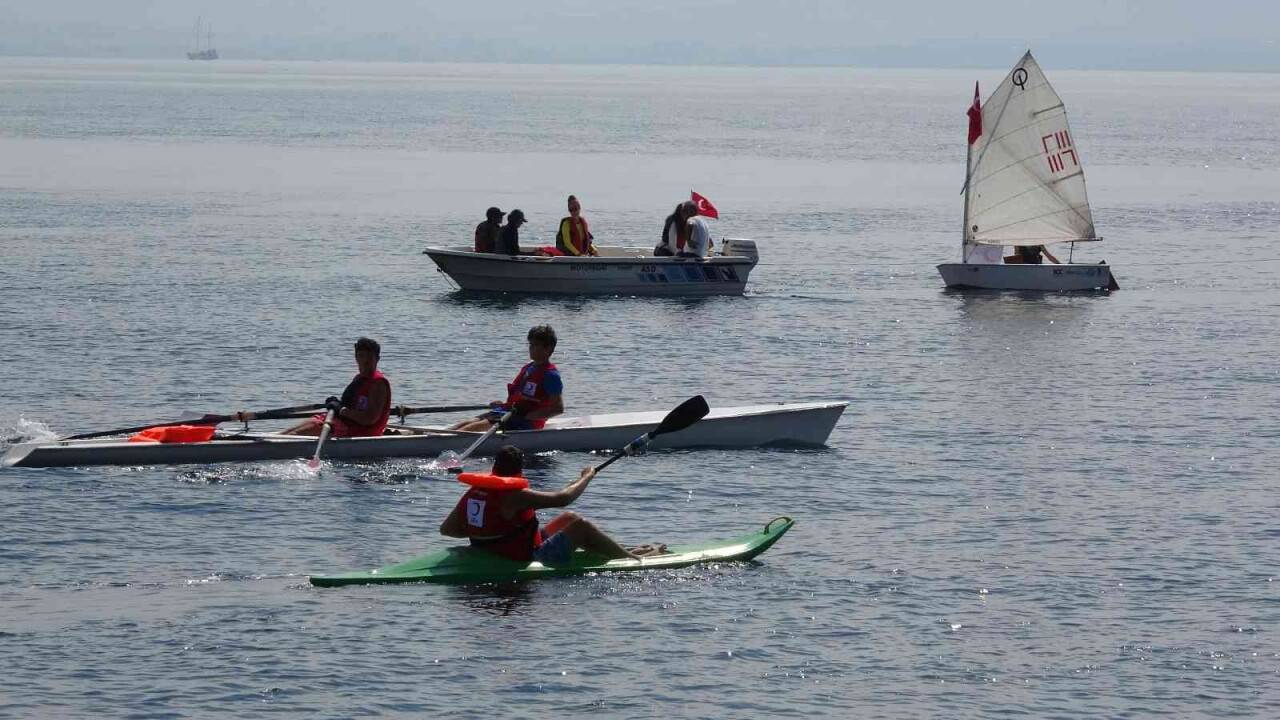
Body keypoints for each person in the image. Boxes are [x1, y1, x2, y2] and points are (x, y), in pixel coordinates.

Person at [440, 445, 666, 563]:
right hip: (527, 557)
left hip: (492, 551)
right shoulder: (516, 495)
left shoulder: (475, 492)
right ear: (520, 470)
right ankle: (635, 560)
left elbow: (447, 529)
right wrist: (588, 476)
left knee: (569, 519)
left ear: (495, 467)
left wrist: (487, 536)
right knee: (581, 526)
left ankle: (624, 550)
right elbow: (563, 498)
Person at [237, 337, 391, 437]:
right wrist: (337, 405)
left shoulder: (378, 384)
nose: (365, 362)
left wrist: (341, 410)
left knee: (314, 425)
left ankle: (270, 445)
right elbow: (351, 406)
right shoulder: (359, 379)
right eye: (361, 357)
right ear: (356, 358)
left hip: (363, 432)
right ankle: (272, 439)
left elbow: (369, 419)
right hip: (347, 424)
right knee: (311, 422)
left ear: (377, 359)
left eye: (369, 358)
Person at [451, 325, 563, 433]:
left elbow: (558, 409)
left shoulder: (551, 375)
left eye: (535, 345)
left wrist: (529, 416)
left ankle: (444, 442)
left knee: (470, 429)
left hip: (526, 422)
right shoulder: (529, 367)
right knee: (464, 424)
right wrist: (503, 404)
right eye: (530, 344)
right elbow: (521, 397)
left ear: (548, 348)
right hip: (509, 413)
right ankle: (439, 437)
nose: (530, 348)